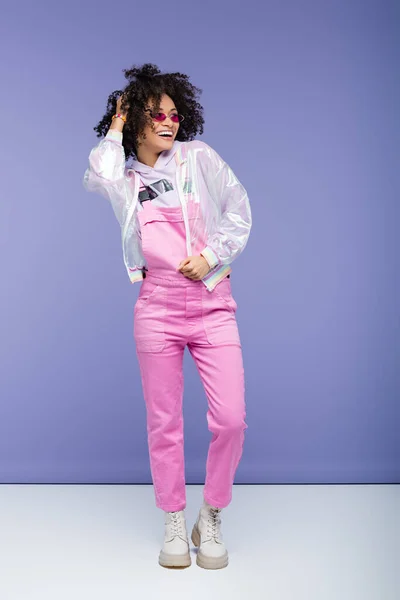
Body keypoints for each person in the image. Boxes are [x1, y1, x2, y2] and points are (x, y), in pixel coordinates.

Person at [83, 63, 252, 570]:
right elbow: (98, 172)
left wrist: (213, 256)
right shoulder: (125, 179)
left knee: (231, 420)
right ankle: (173, 517)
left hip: (211, 304)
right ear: (136, 118)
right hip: (155, 308)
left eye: (174, 113)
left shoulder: (199, 158)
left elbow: (238, 210)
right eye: (154, 113)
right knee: (165, 423)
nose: (168, 121)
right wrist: (116, 127)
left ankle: (213, 512)